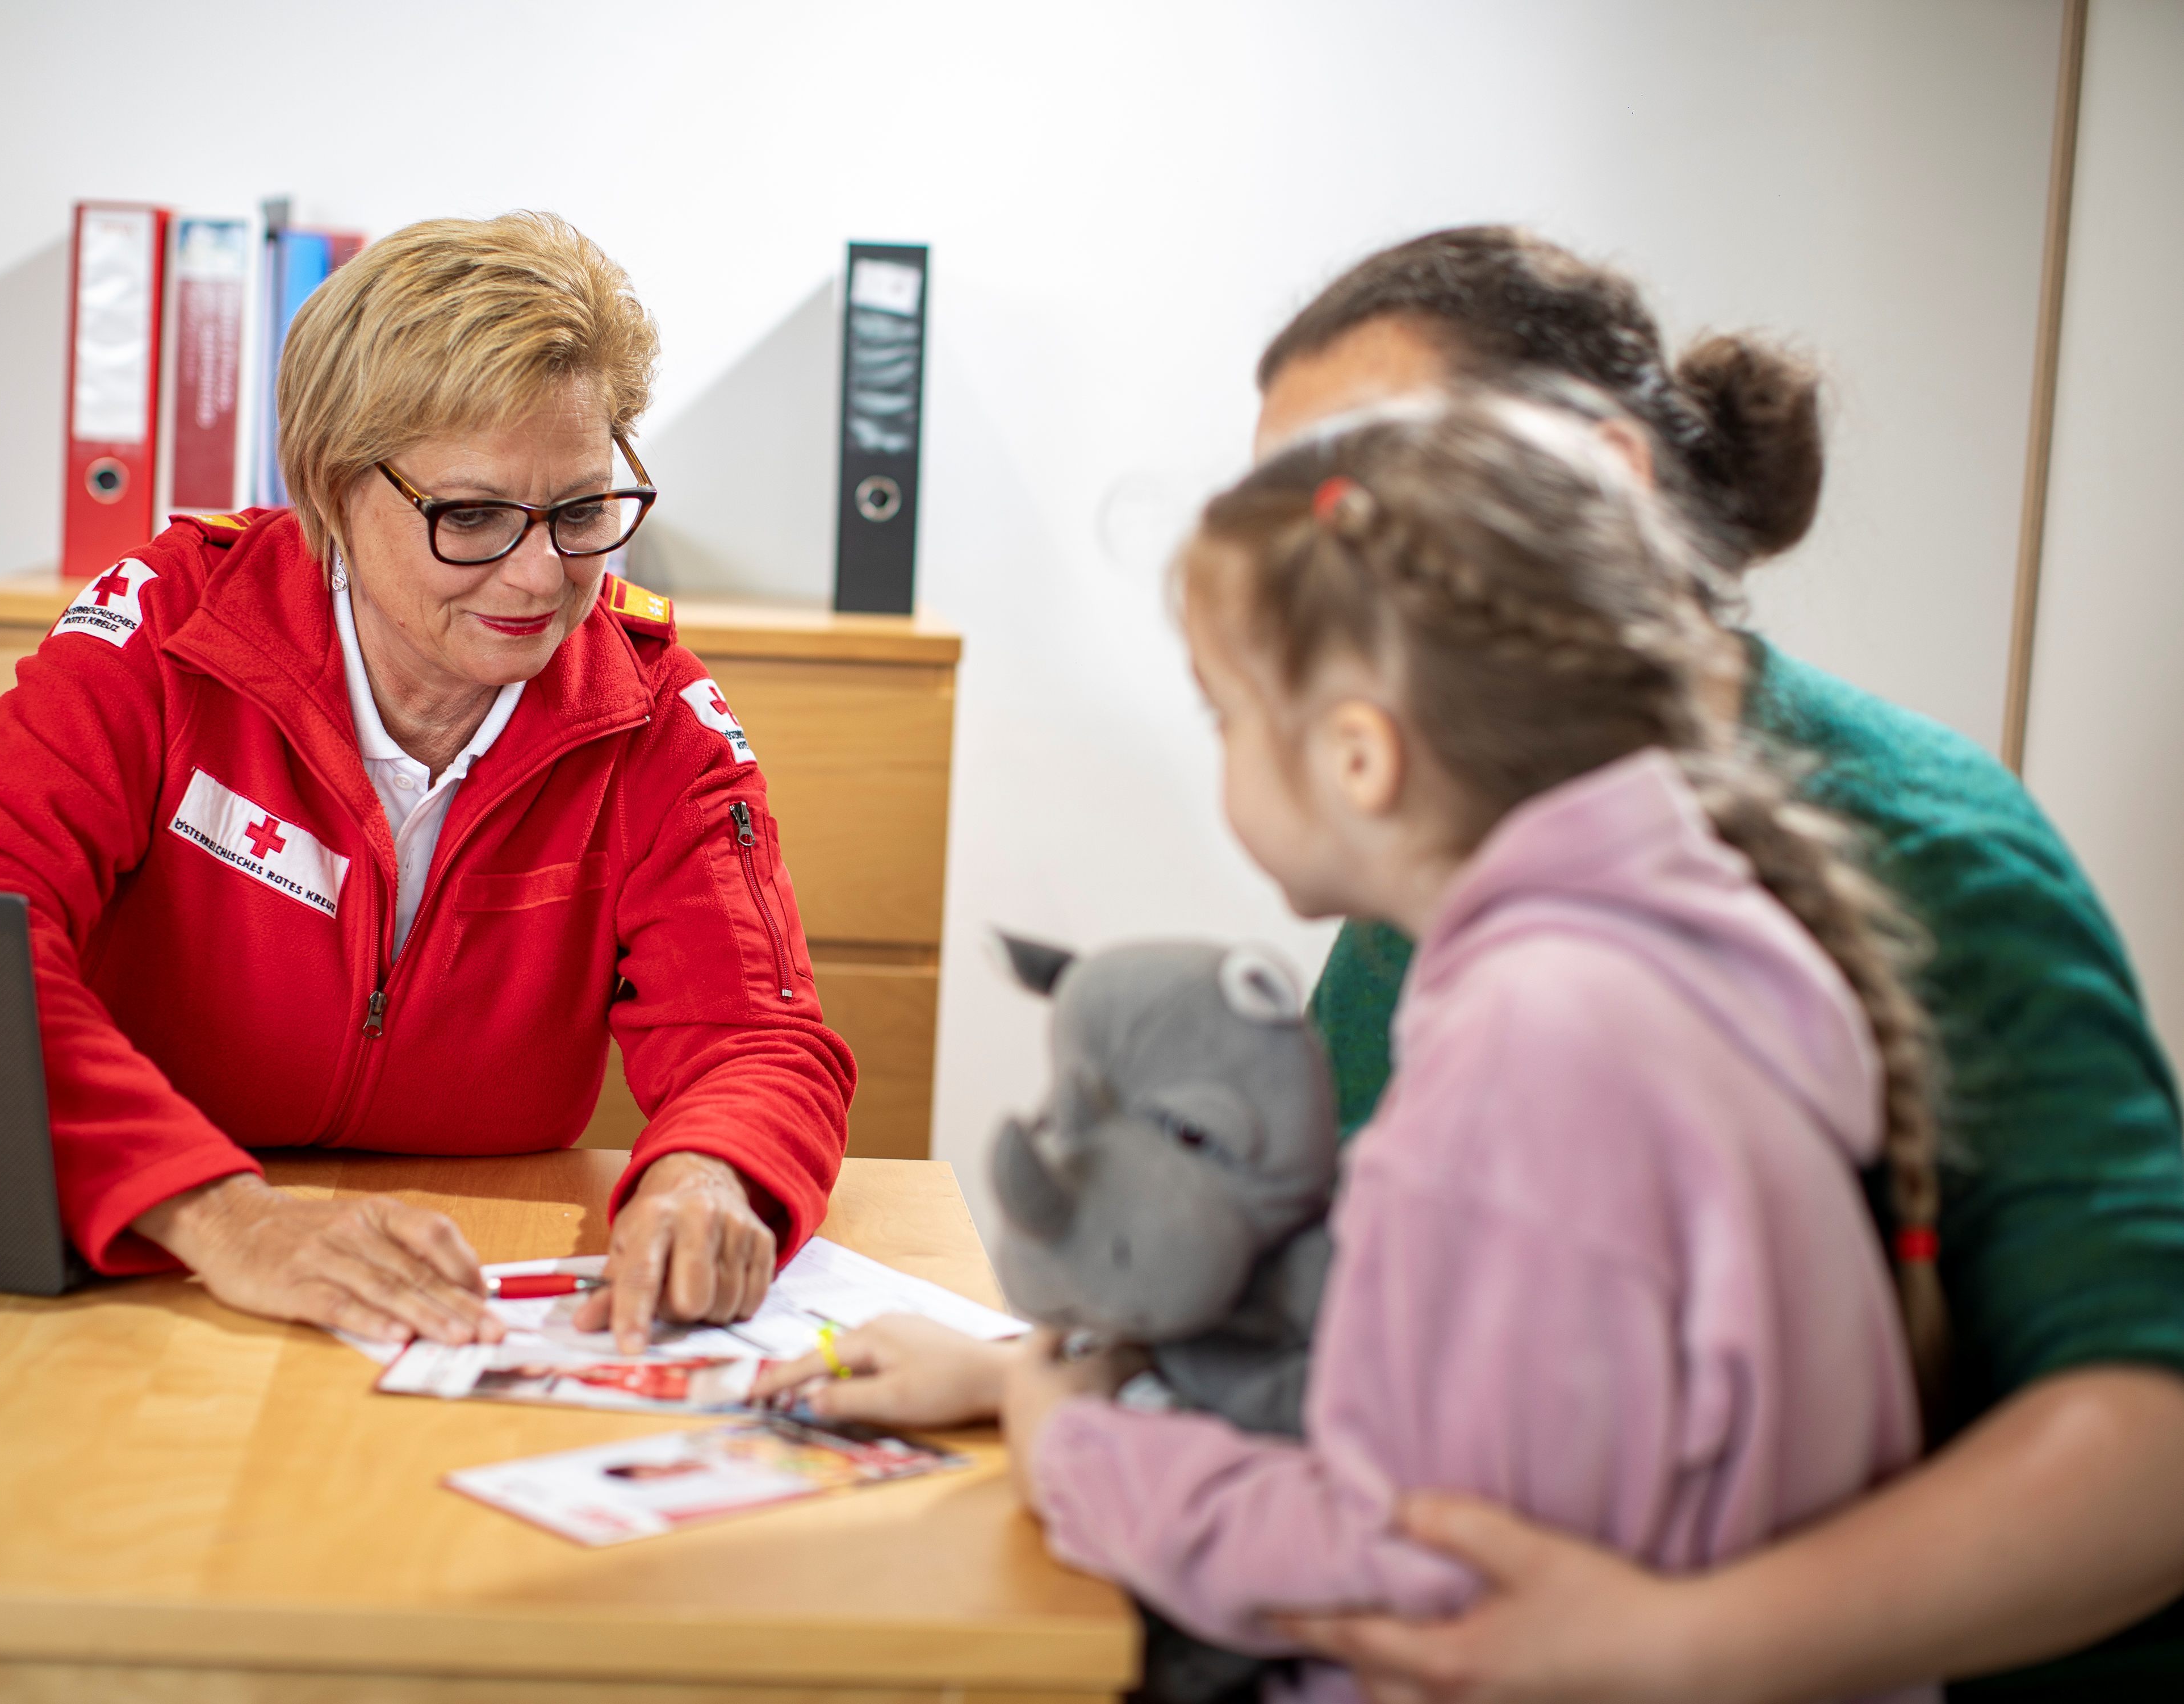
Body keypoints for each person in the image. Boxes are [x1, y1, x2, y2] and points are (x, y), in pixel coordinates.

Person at [762, 229, 2184, 1699]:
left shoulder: (1894, 861)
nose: (1301, 564)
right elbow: (1413, 1342)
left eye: (1358, 498)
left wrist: (1675, 1649)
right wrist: (1045, 1379)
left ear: (1601, 484)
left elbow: (2151, 1445)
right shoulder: (1488, 868)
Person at [1005, 385, 1938, 1703]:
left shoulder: (1529, 1047)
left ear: (1359, 757)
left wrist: (1073, 1455)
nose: (1220, 759)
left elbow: (1416, 1568)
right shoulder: (1678, 967)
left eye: (1225, 717)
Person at [0, 213, 852, 1354]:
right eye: (472, 517)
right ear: (334, 491)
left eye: (582, 512)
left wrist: (711, 1175)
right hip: (151, 1278)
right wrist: (220, 1214)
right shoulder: (164, 629)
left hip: (467, 1299)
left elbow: (759, 1040)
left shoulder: (655, 716)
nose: (540, 576)